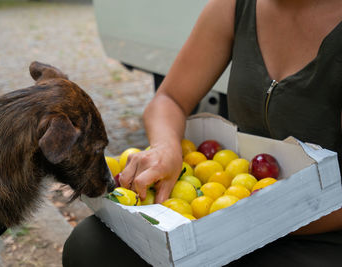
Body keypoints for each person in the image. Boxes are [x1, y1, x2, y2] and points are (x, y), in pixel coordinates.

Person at [62, 0, 342, 266]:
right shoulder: (236, 7)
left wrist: (257, 220)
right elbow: (170, 98)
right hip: (227, 214)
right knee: (90, 246)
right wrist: (165, 147)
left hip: (320, 231)